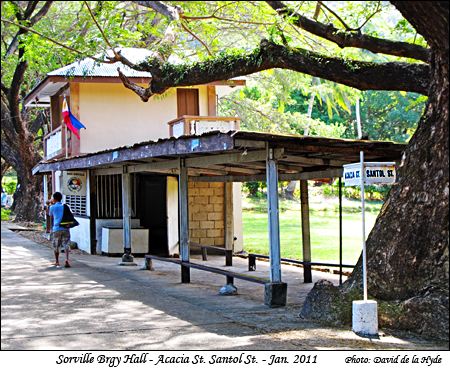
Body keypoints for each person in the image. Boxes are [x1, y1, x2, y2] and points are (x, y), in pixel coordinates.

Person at [49, 192, 71, 268]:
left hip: (56, 228)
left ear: (54, 199)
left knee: (56, 245)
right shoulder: (66, 206)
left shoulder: (52, 207)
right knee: (66, 244)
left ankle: (57, 261)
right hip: (65, 228)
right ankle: (67, 259)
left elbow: (51, 216)